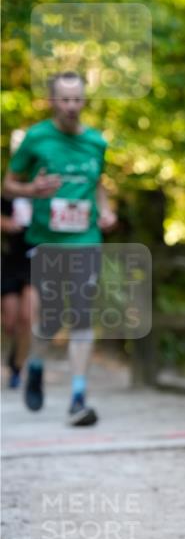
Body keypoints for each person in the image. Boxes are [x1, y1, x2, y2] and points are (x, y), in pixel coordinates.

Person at [3, 71, 117, 426]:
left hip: (85, 239)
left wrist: (107, 209)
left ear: (84, 100)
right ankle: (35, 364)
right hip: (46, 240)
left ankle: (78, 398)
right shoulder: (36, 138)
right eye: (64, 99)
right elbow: (8, 185)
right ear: (52, 101)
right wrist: (31, 190)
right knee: (47, 320)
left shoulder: (96, 142)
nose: (71, 106)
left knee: (82, 315)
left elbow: (97, 184)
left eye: (77, 99)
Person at [1, 131, 35, 388]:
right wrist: (7, 224)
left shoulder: (44, 185)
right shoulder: (8, 189)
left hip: (36, 258)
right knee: (10, 321)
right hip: (11, 258)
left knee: (27, 317)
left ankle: (18, 368)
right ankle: (11, 358)